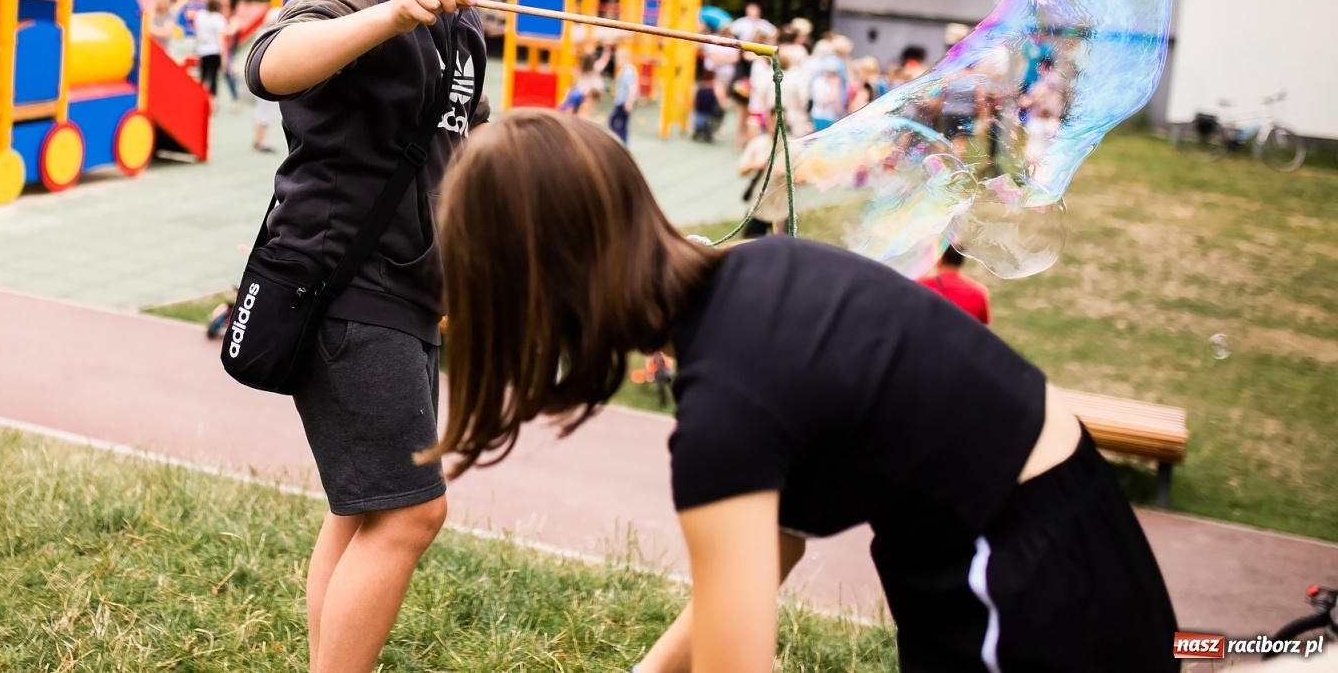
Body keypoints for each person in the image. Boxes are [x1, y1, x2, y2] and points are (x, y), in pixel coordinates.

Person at [424, 111, 1180, 673]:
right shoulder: (764, 275)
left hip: (1028, 595)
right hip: (1083, 551)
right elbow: (758, 562)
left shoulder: (726, 410)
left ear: (539, 285)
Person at [241, 0, 492, 673]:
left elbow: (457, 156)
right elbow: (268, 63)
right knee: (413, 512)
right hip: (346, 282)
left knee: (362, 507)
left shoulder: (458, 14)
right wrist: (392, 14)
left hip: (410, 290)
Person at [918, 247, 992, 326]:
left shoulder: (921, 285)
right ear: (961, 261)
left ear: (940, 260)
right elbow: (984, 326)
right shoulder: (979, 292)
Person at [193, 0, 229, 110]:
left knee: (203, 77)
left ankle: (199, 99)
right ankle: (213, 101)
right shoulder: (219, 19)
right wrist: (224, 58)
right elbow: (221, 39)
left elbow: (197, 34)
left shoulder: (200, 16)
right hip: (214, 51)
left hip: (202, 51)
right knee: (213, 77)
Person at [609, 49, 639, 144]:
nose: (616, 61)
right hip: (622, 101)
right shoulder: (626, 69)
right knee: (622, 124)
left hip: (623, 102)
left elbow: (632, 87)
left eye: (617, 58)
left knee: (614, 122)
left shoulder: (628, 71)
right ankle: (623, 143)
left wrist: (629, 102)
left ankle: (623, 143)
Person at [691, 70, 724, 142]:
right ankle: (706, 134)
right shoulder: (714, 89)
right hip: (709, 112)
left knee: (699, 123)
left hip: (700, 110)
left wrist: (694, 107)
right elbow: (720, 99)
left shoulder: (700, 87)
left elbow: (694, 99)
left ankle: (698, 133)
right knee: (709, 124)